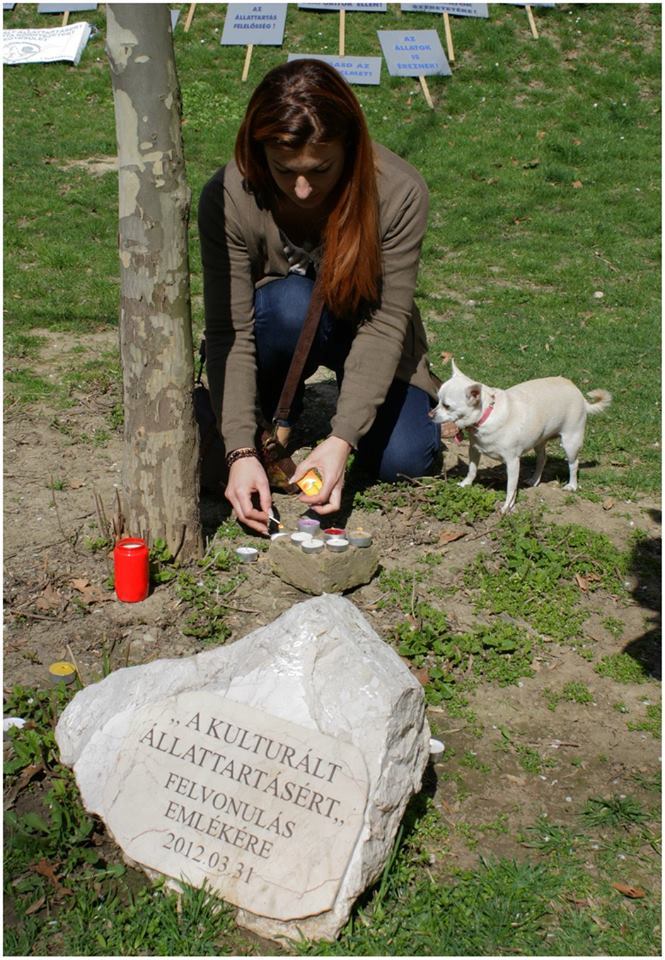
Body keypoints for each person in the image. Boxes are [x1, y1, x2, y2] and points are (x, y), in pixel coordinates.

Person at [198, 59, 441, 535]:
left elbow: (386, 322)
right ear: (257, 151)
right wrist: (241, 449)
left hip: (365, 329)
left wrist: (343, 437)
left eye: (321, 169)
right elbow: (231, 329)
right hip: (278, 327)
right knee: (288, 305)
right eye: (284, 171)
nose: (304, 189)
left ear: (350, 150)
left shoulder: (399, 191)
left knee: (406, 457)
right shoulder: (227, 195)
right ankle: (260, 425)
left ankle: (324, 423)